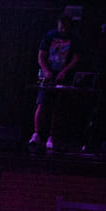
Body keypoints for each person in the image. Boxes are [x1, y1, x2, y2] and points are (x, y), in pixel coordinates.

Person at [31, 15, 80, 152]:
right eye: (61, 26)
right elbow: (41, 56)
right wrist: (45, 70)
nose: (63, 29)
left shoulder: (74, 39)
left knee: (57, 107)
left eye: (65, 27)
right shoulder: (49, 36)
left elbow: (76, 58)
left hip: (62, 77)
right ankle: (36, 134)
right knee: (41, 103)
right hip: (47, 76)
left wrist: (64, 71)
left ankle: (52, 136)